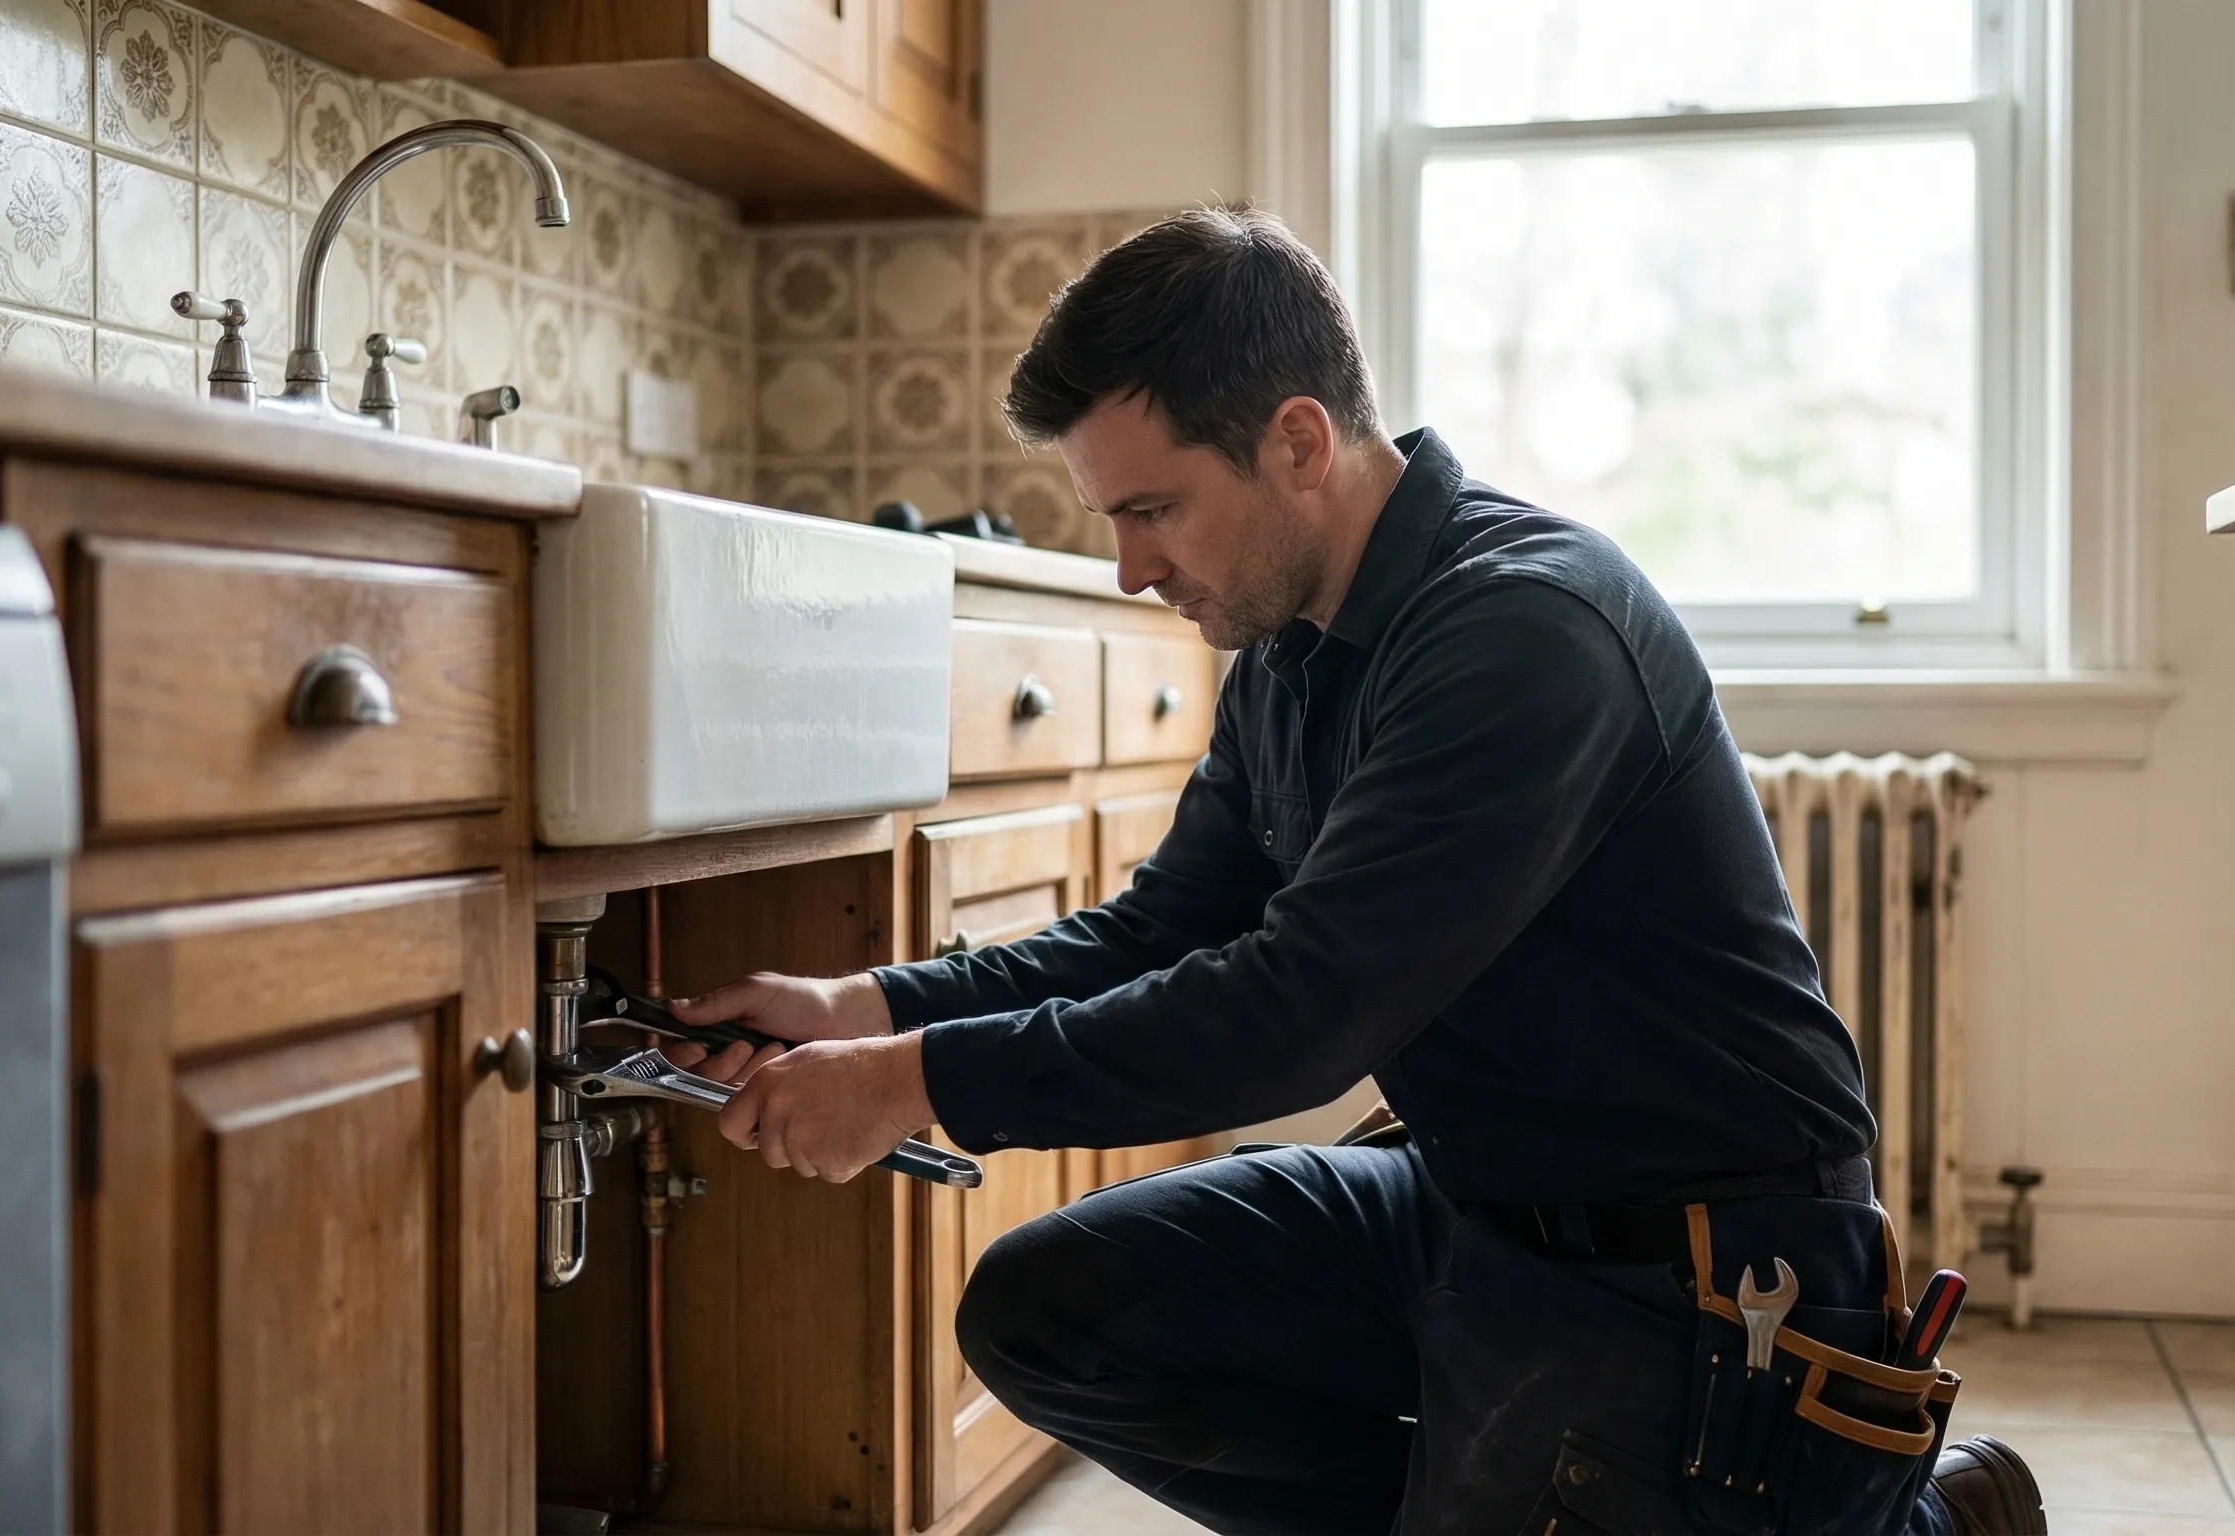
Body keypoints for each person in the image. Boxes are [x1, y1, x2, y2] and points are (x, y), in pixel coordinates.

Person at [658, 206, 2049, 1536]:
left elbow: (1297, 1012)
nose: (1131, 569)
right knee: (1050, 1307)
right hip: (1469, 1207)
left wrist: (915, 1087)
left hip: (1696, 1278)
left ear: (1299, 441)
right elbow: (1166, 929)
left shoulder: (1524, 633)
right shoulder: (1286, 656)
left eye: (1152, 511)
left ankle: (1909, 1518)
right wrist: (871, 1008)